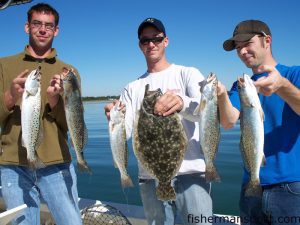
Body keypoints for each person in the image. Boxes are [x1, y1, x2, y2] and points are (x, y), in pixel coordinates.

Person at [104, 18, 212, 225]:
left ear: (166, 41)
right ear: (140, 45)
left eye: (157, 38)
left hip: (192, 174)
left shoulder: (187, 73)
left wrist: (182, 102)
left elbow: (206, 114)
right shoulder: (132, 87)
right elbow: (127, 133)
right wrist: (114, 120)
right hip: (149, 178)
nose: (151, 44)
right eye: (145, 40)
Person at [0, 3, 82, 225]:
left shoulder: (69, 72)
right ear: (27, 27)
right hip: (13, 165)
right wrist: (9, 96)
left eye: (49, 25)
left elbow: (73, 126)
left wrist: (55, 102)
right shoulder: (3, 65)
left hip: (57, 164)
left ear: (56, 30)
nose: (43, 29)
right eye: (37, 24)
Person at [218, 19, 300, 225]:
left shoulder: (294, 74)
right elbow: (228, 122)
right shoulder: (241, 85)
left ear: (267, 41)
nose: (242, 51)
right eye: (238, 48)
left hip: (291, 188)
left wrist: (282, 86)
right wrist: (220, 96)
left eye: (247, 44)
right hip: (250, 187)